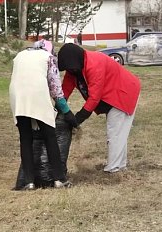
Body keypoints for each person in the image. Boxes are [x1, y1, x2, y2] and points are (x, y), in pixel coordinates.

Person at [57, 43, 141, 173]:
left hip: (123, 92)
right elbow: (64, 90)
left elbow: (94, 97)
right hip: (112, 95)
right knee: (118, 132)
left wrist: (78, 118)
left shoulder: (95, 64)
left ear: (76, 61)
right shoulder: (73, 69)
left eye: (71, 69)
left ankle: (114, 168)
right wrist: (59, 108)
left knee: (115, 132)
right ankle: (120, 165)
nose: (71, 71)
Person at [9, 40, 77, 190]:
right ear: (50, 50)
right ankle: (59, 179)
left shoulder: (19, 56)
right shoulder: (48, 58)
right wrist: (66, 111)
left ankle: (28, 182)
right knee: (50, 136)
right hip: (37, 94)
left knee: (26, 139)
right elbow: (55, 89)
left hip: (17, 95)